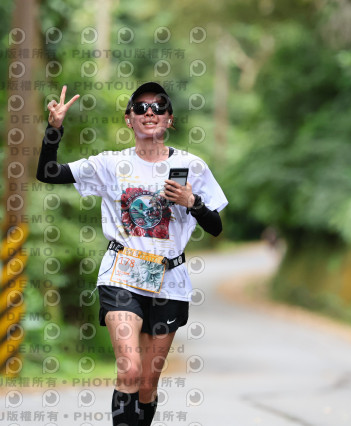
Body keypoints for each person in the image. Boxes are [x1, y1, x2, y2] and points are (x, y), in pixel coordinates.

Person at [37, 82, 228, 426]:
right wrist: (54, 129)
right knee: (129, 369)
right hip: (122, 272)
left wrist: (192, 202)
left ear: (169, 119)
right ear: (129, 119)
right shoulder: (110, 164)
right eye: (140, 107)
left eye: (159, 107)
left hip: (169, 278)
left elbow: (215, 227)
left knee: (147, 385)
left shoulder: (192, 166)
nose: (149, 112)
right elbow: (47, 172)